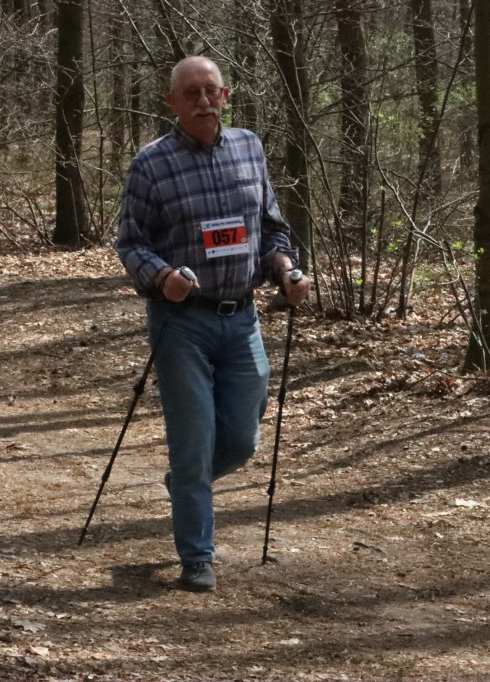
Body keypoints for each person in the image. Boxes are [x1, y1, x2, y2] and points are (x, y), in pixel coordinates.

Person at [115, 56, 309, 592]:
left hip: (241, 318)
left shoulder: (249, 148)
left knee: (241, 441)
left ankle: (185, 483)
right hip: (182, 324)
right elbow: (131, 243)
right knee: (194, 442)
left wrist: (286, 269)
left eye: (211, 91)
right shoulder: (151, 164)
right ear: (172, 102)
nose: (203, 101)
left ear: (226, 96)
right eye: (191, 93)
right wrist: (161, 277)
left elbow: (272, 229)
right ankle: (197, 557)